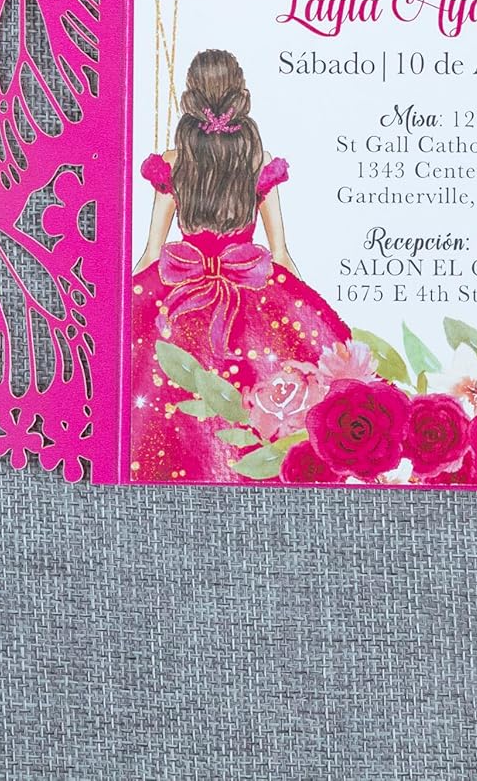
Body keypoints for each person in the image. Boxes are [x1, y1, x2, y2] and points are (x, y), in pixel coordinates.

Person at [129, 49, 347, 482]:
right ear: (240, 93)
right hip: (251, 290)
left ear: (191, 96)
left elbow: (152, 252)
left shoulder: (173, 161)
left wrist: (123, 297)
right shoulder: (256, 160)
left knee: (163, 391)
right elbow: (280, 253)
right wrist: (309, 307)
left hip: (180, 291)